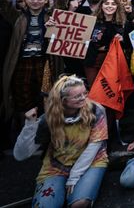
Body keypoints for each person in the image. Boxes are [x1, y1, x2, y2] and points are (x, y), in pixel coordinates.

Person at [14, 75, 109, 208]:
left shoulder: (96, 110)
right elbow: (20, 155)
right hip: (57, 166)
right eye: (77, 96)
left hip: (91, 162)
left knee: (79, 204)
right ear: (63, 100)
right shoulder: (48, 119)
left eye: (84, 93)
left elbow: (95, 146)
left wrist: (74, 176)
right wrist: (30, 125)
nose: (83, 98)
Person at [0, 0, 63, 123]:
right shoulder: (16, 16)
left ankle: (43, 131)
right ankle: (23, 130)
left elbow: (62, 4)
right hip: (21, 63)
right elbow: (4, 2)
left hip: (44, 62)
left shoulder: (52, 16)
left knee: (44, 96)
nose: (35, 1)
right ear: (26, 0)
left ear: (46, 1)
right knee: (22, 98)